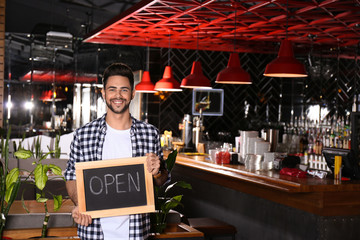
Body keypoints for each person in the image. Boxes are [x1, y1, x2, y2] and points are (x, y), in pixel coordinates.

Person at [64, 63, 169, 240]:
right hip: (94, 233)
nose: (118, 95)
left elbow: (160, 181)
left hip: (135, 234)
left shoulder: (149, 133)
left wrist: (158, 172)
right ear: (103, 93)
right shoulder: (83, 135)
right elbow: (72, 177)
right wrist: (81, 205)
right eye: (112, 89)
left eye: (124, 90)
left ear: (133, 94)